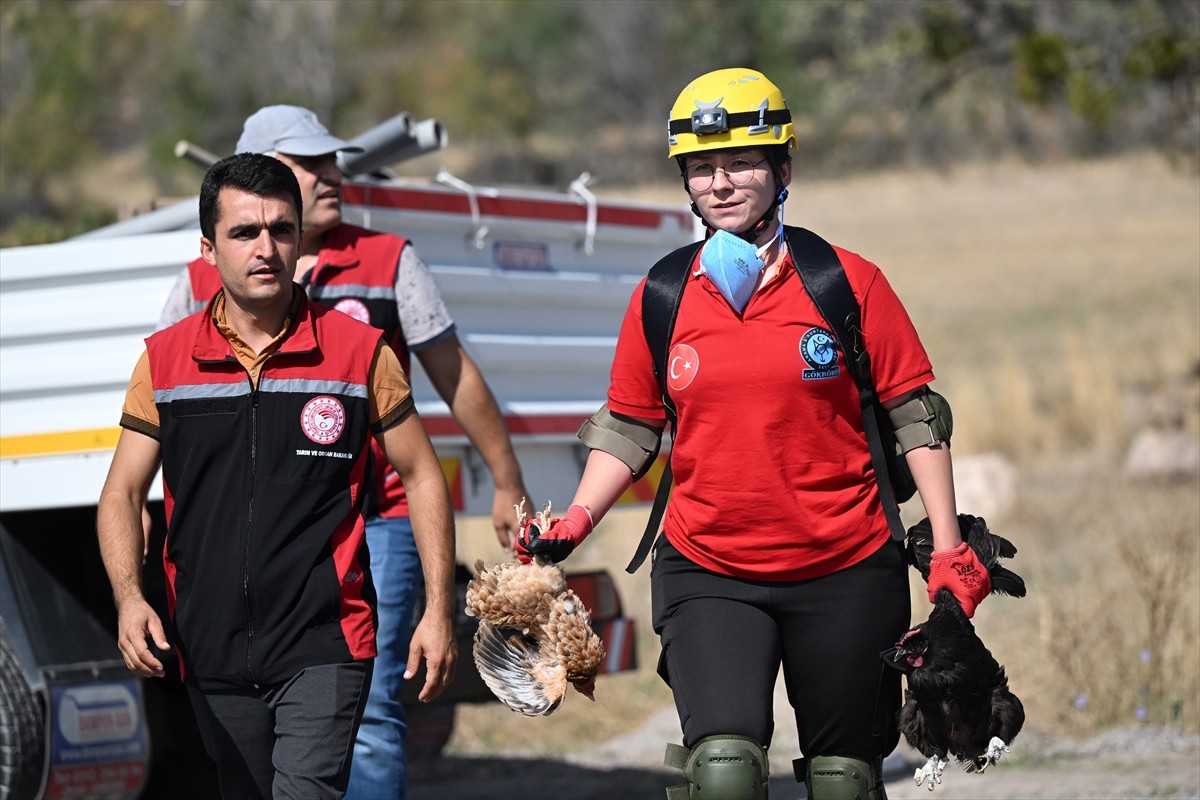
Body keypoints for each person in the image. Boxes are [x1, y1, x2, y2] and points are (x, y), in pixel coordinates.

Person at [515, 68, 991, 800]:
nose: (721, 182)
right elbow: (631, 427)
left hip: (847, 565)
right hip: (710, 570)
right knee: (725, 774)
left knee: (844, 781)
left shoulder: (846, 283)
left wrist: (950, 547)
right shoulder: (664, 295)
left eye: (741, 162)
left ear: (783, 168)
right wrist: (575, 521)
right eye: (702, 168)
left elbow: (915, 417)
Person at [158, 105, 530, 799]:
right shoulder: (199, 279)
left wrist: (507, 479)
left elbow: (454, 374)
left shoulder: (390, 259)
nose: (334, 174)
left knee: (369, 715)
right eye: (310, 164)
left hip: (378, 518)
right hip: (263, 539)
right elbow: (172, 401)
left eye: (335, 160)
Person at [97, 152, 458, 800]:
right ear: (208, 248)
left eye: (281, 230)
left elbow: (423, 475)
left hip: (325, 642)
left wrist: (437, 609)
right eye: (244, 232)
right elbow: (123, 492)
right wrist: (129, 598)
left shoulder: (358, 352)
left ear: (299, 239)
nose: (266, 248)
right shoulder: (164, 361)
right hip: (209, 647)